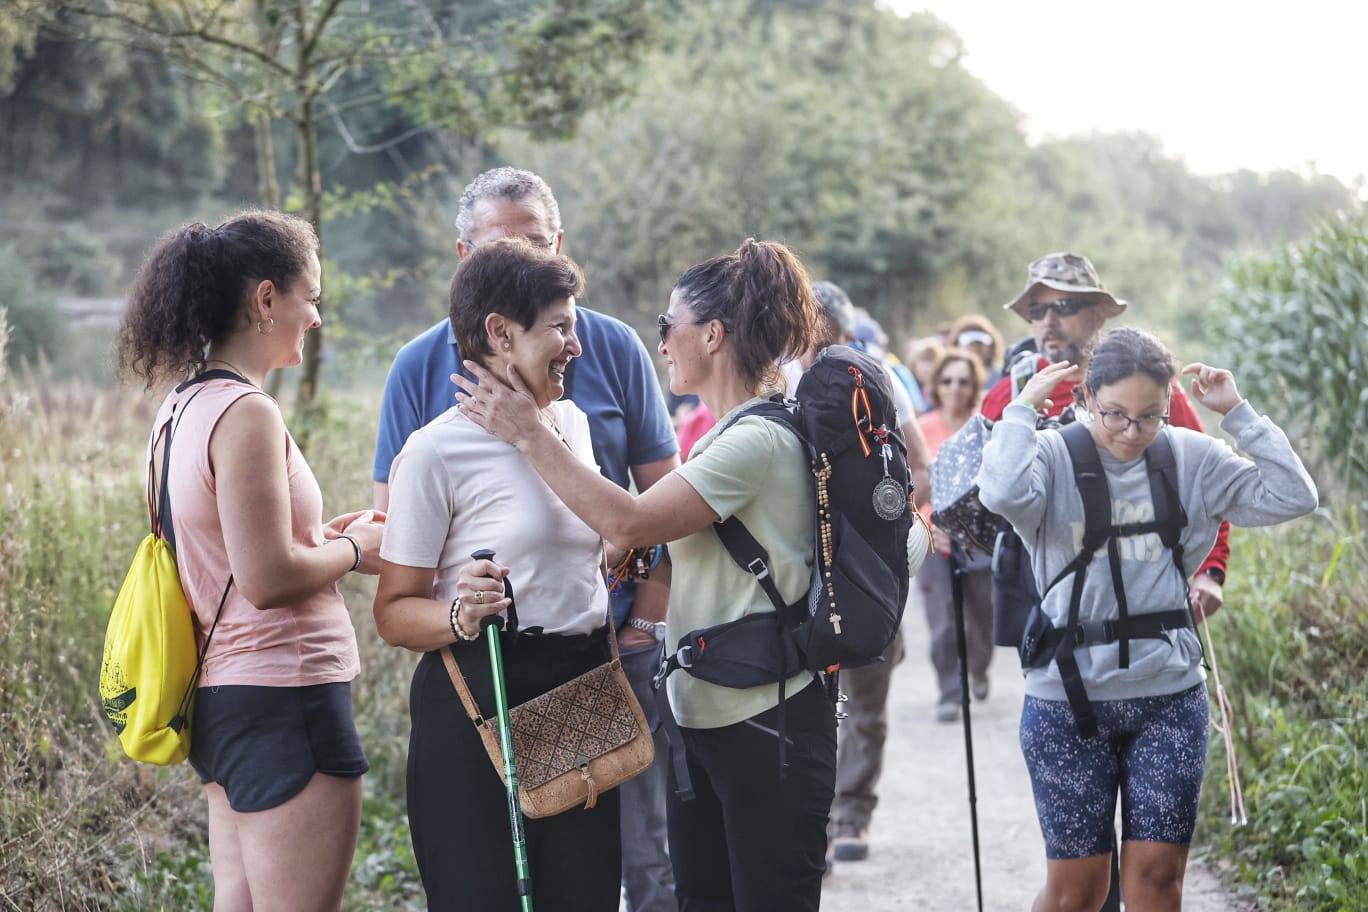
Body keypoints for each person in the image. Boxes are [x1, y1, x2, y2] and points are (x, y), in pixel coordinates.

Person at [453, 238, 835, 912]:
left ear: (711, 336)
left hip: (766, 724)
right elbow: (653, 537)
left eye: (668, 326)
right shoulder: (724, 435)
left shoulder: (755, 441)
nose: (660, 343)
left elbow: (630, 522)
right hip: (721, 720)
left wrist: (529, 434)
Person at [371, 167, 680, 911]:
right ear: (501, 334)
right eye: (561, 328)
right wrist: (457, 613)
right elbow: (392, 610)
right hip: (484, 692)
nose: (578, 343)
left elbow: (599, 543)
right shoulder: (434, 452)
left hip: (580, 683)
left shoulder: (569, 424)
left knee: (582, 900)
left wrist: (620, 563)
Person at [978, 327, 1317, 911]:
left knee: (1158, 883)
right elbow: (999, 492)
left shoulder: (1192, 457)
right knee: (1077, 893)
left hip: (1169, 698)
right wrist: (1021, 410)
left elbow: (1294, 495)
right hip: (1067, 702)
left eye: (1149, 416)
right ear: (1086, 397)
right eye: (1114, 415)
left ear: (1167, 406)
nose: (1131, 433)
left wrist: (1236, 413)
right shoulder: (1053, 456)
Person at [116, 211, 386, 911]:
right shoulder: (248, 412)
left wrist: (323, 533)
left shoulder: (180, 408)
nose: (317, 318)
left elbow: (228, 549)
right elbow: (265, 580)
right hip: (284, 695)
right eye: (312, 298)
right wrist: (355, 550)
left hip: (225, 699)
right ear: (267, 299)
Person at [982, 252, 1231, 620]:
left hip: (1136, 583)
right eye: (1037, 311)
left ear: (1099, 313)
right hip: (1037, 587)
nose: (1049, 321)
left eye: (1064, 306)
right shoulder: (1008, 396)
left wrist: (1211, 571)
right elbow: (982, 488)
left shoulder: (1149, 389)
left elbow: (1205, 480)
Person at [801, 280, 931, 865]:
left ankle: (852, 813)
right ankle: (817, 823)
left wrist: (882, 535)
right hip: (802, 574)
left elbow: (920, 468)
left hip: (870, 572)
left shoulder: (877, 379)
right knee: (810, 704)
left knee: (867, 700)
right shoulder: (777, 381)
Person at [916, 348, 995, 723]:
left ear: (974, 385)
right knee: (945, 620)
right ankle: (950, 691)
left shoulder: (985, 427)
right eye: (947, 380)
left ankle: (978, 668)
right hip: (934, 538)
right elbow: (905, 486)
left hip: (978, 538)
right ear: (936, 385)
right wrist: (926, 526)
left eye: (963, 381)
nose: (954, 388)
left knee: (983, 619)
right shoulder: (920, 429)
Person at [947, 313, 1005, 388]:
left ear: (991, 347)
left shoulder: (1002, 379)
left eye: (979, 345)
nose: (975, 349)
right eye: (970, 345)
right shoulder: (945, 379)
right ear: (956, 345)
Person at [903, 336, 945, 415]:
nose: (926, 367)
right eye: (923, 360)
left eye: (931, 360)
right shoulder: (907, 385)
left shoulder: (944, 387)